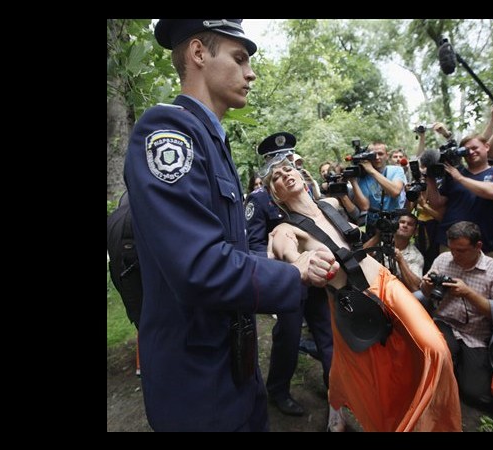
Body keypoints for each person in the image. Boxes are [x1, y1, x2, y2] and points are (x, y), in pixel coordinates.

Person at [123, 19, 339, 432]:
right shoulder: (169, 131)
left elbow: (230, 249)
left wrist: (280, 253)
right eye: (239, 58)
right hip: (197, 379)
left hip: (230, 363)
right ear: (199, 54)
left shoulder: (209, 137)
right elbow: (198, 266)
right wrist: (290, 275)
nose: (251, 72)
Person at [263, 156, 462, 432]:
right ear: (276, 195)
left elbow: (364, 209)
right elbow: (288, 252)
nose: (284, 174)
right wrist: (301, 264)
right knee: (363, 373)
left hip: (385, 282)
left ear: (301, 175)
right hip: (350, 302)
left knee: (435, 349)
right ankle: (342, 407)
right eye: (276, 177)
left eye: (288, 169)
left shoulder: (331, 204)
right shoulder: (286, 228)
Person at [245, 132, 334, 418]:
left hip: (319, 279)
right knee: (289, 335)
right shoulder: (259, 200)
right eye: (276, 161)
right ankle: (279, 390)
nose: (283, 165)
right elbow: (254, 246)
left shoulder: (307, 189)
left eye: (287, 159)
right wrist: (283, 264)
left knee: (327, 332)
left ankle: (336, 391)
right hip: (289, 281)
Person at [420, 221, 493, 409]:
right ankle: (446, 369)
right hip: (445, 324)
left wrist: (469, 294)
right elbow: (425, 293)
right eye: (452, 249)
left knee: (478, 396)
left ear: (478, 246)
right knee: (434, 357)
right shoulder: (443, 260)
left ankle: (457, 369)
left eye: (461, 251)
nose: (455, 255)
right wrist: (427, 285)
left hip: (476, 334)